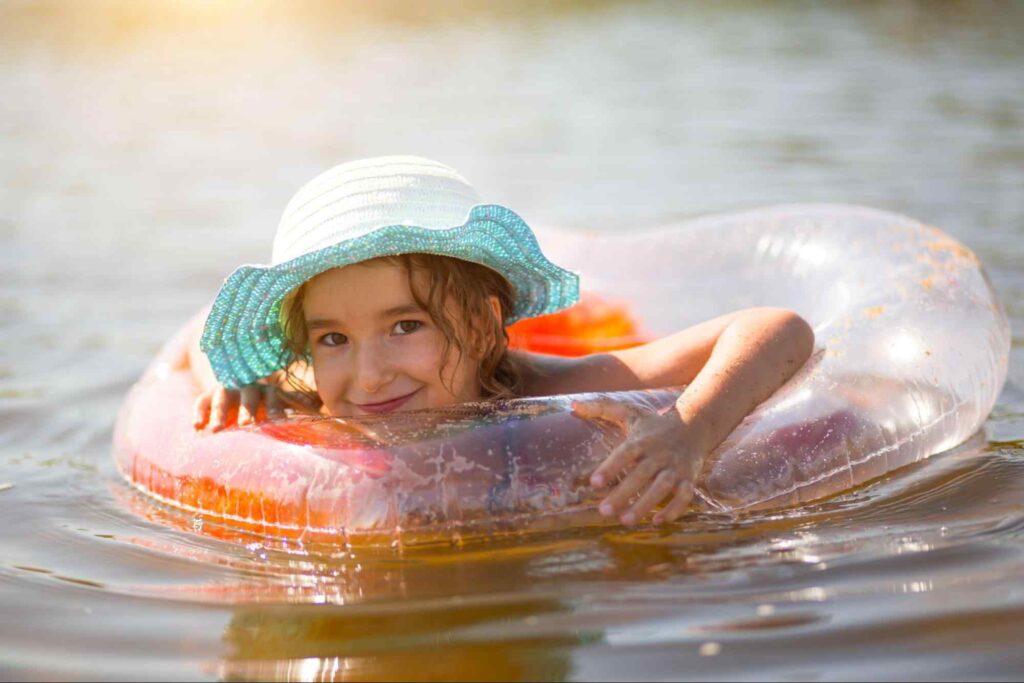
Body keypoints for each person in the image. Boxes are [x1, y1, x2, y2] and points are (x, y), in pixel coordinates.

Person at [189, 156, 814, 525]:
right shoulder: (307, 398)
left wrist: (689, 433)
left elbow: (775, 328)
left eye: (406, 326)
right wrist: (231, 378)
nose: (369, 374)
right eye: (332, 338)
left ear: (487, 323)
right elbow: (192, 345)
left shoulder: (559, 386)